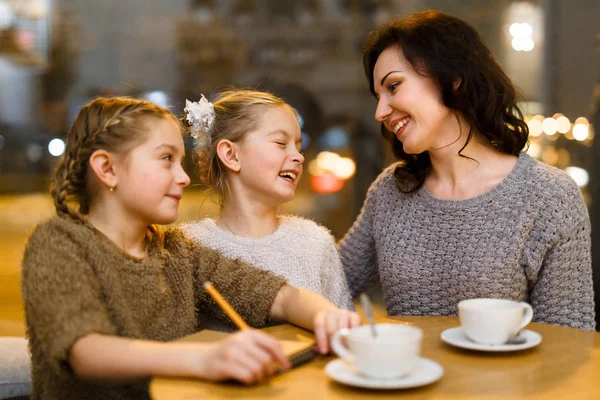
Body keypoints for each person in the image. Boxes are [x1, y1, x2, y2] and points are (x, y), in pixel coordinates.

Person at [20, 96, 361, 400]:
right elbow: (87, 352)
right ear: (107, 169)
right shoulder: (60, 242)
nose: (184, 177)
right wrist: (205, 359)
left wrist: (326, 316)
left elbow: (278, 295)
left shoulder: (177, 251)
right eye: (166, 159)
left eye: (182, 162)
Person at [339, 10, 595, 330]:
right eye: (377, 96)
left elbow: (569, 341)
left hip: (512, 381)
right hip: (404, 377)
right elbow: (328, 285)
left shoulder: (550, 196)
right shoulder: (389, 191)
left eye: (393, 86)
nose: (380, 111)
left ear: (453, 79)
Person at [181, 89, 353, 313]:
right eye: (281, 143)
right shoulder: (190, 246)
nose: (299, 157)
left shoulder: (315, 242)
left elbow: (344, 330)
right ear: (231, 155)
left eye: (299, 147)